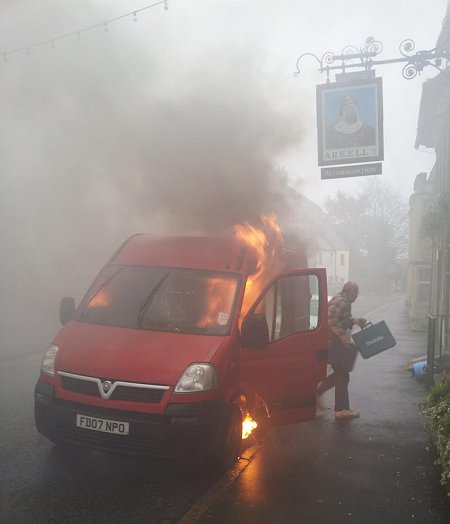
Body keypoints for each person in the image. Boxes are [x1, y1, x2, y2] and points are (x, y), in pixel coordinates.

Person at [317, 281, 366, 420]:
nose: (356, 296)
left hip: (336, 342)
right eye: (355, 293)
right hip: (335, 342)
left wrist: (355, 321)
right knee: (342, 375)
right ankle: (341, 409)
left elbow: (341, 320)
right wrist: (342, 336)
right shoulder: (341, 301)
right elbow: (329, 319)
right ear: (349, 291)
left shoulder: (344, 301)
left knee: (342, 374)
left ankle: (320, 391)